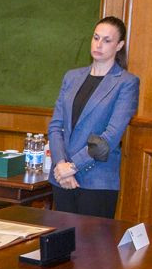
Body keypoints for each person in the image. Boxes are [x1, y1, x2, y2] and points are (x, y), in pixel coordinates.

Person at [46, 16, 140, 218]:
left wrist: (72, 167)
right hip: (61, 178)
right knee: (62, 246)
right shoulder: (72, 77)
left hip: (97, 181)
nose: (99, 44)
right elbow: (56, 126)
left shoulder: (126, 82)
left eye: (107, 40)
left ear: (119, 45)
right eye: (96, 37)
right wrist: (60, 164)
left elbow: (110, 138)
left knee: (93, 248)